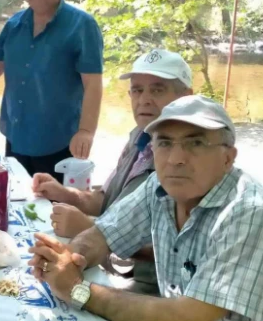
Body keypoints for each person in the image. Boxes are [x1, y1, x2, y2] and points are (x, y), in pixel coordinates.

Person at [29, 95, 263, 321]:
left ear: (228, 158)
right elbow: (103, 234)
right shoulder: (159, 186)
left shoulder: (251, 214)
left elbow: (186, 319)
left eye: (195, 142)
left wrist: (77, 290)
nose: (176, 158)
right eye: (164, 143)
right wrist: (67, 259)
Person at [32, 49, 193, 294]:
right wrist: (66, 194)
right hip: (105, 262)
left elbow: (182, 249)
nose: (144, 99)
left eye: (157, 90)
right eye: (137, 90)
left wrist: (89, 227)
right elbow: (107, 199)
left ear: (186, 98)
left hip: (148, 286)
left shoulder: (191, 162)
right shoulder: (140, 137)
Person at [0, 0, 103, 180]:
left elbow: (93, 85)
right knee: (20, 203)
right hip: (16, 135)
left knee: (53, 209)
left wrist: (86, 131)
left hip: (60, 141)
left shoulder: (82, 25)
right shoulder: (14, 24)